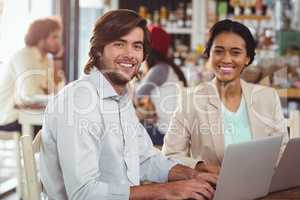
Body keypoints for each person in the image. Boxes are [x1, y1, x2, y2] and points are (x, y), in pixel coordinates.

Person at [40, 9, 217, 200]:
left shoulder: (120, 98)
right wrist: (167, 190)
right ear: (98, 50)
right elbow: (84, 194)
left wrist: (194, 174)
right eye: (119, 44)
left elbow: (146, 159)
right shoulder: (78, 102)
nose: (129, 54)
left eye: (137, 46)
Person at [162, 19, 288, 173]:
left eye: (235, 52)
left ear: (247, 58)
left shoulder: (268, 97)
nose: (226, 59)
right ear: (209, 54)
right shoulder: (190, 100)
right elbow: (169, 155)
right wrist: (202, 167)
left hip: (262, 187)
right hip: (212, 190)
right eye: (219, 51)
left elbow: (283, 150)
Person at [0, 17, 64, 132]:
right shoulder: (24, 55)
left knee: (63, 122)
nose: (59, 42)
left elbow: (52, 92)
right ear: (41, 38)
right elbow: (29, 95)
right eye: (54, 37)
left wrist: (57, 61)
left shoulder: (46, 59)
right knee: (58, 127)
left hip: (27, 114)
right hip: (9, 116)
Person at [135, 25, 187, 145]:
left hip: (165, 134)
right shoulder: (167, 68)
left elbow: (138, 95)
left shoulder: (159, 70)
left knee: (123, 131)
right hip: (171, 131)